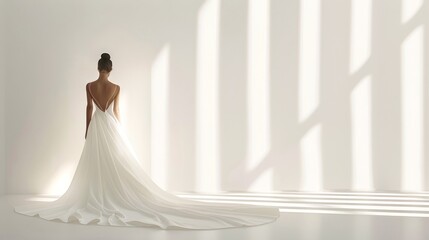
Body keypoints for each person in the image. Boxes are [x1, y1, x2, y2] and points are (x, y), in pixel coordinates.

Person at [13, 53, 280, 230]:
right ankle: (113, 195)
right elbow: (116, 113)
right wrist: (119, 131)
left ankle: (100, 197)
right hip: (110, 127)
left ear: (98, 68)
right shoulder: (116, 88)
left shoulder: (89, 86)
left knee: (95, 165)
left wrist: (86, 130)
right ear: (110, 68)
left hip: (97, 127)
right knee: (116, 163)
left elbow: (88, 110)